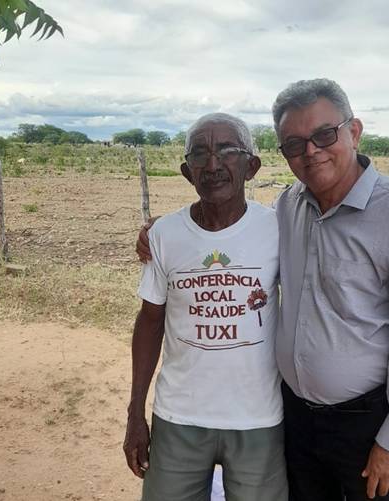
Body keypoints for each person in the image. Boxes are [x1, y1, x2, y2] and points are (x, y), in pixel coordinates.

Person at [137, 78, 389, 501]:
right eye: (295, 144)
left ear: (354, 132)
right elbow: (225, 231)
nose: (311, 151)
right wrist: (161, 231)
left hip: (367, 422)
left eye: (325, 134)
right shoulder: (288, 207)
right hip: (296, 420)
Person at [123, 113, 288, 501]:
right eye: (200, 153)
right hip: (179, 416)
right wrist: (135, 412)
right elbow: (150, 321)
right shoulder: (165, 234)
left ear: (251, 166)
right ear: (187, 172)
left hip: (257, 418)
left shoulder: (279, 228)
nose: (213, 164)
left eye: (228, 150)